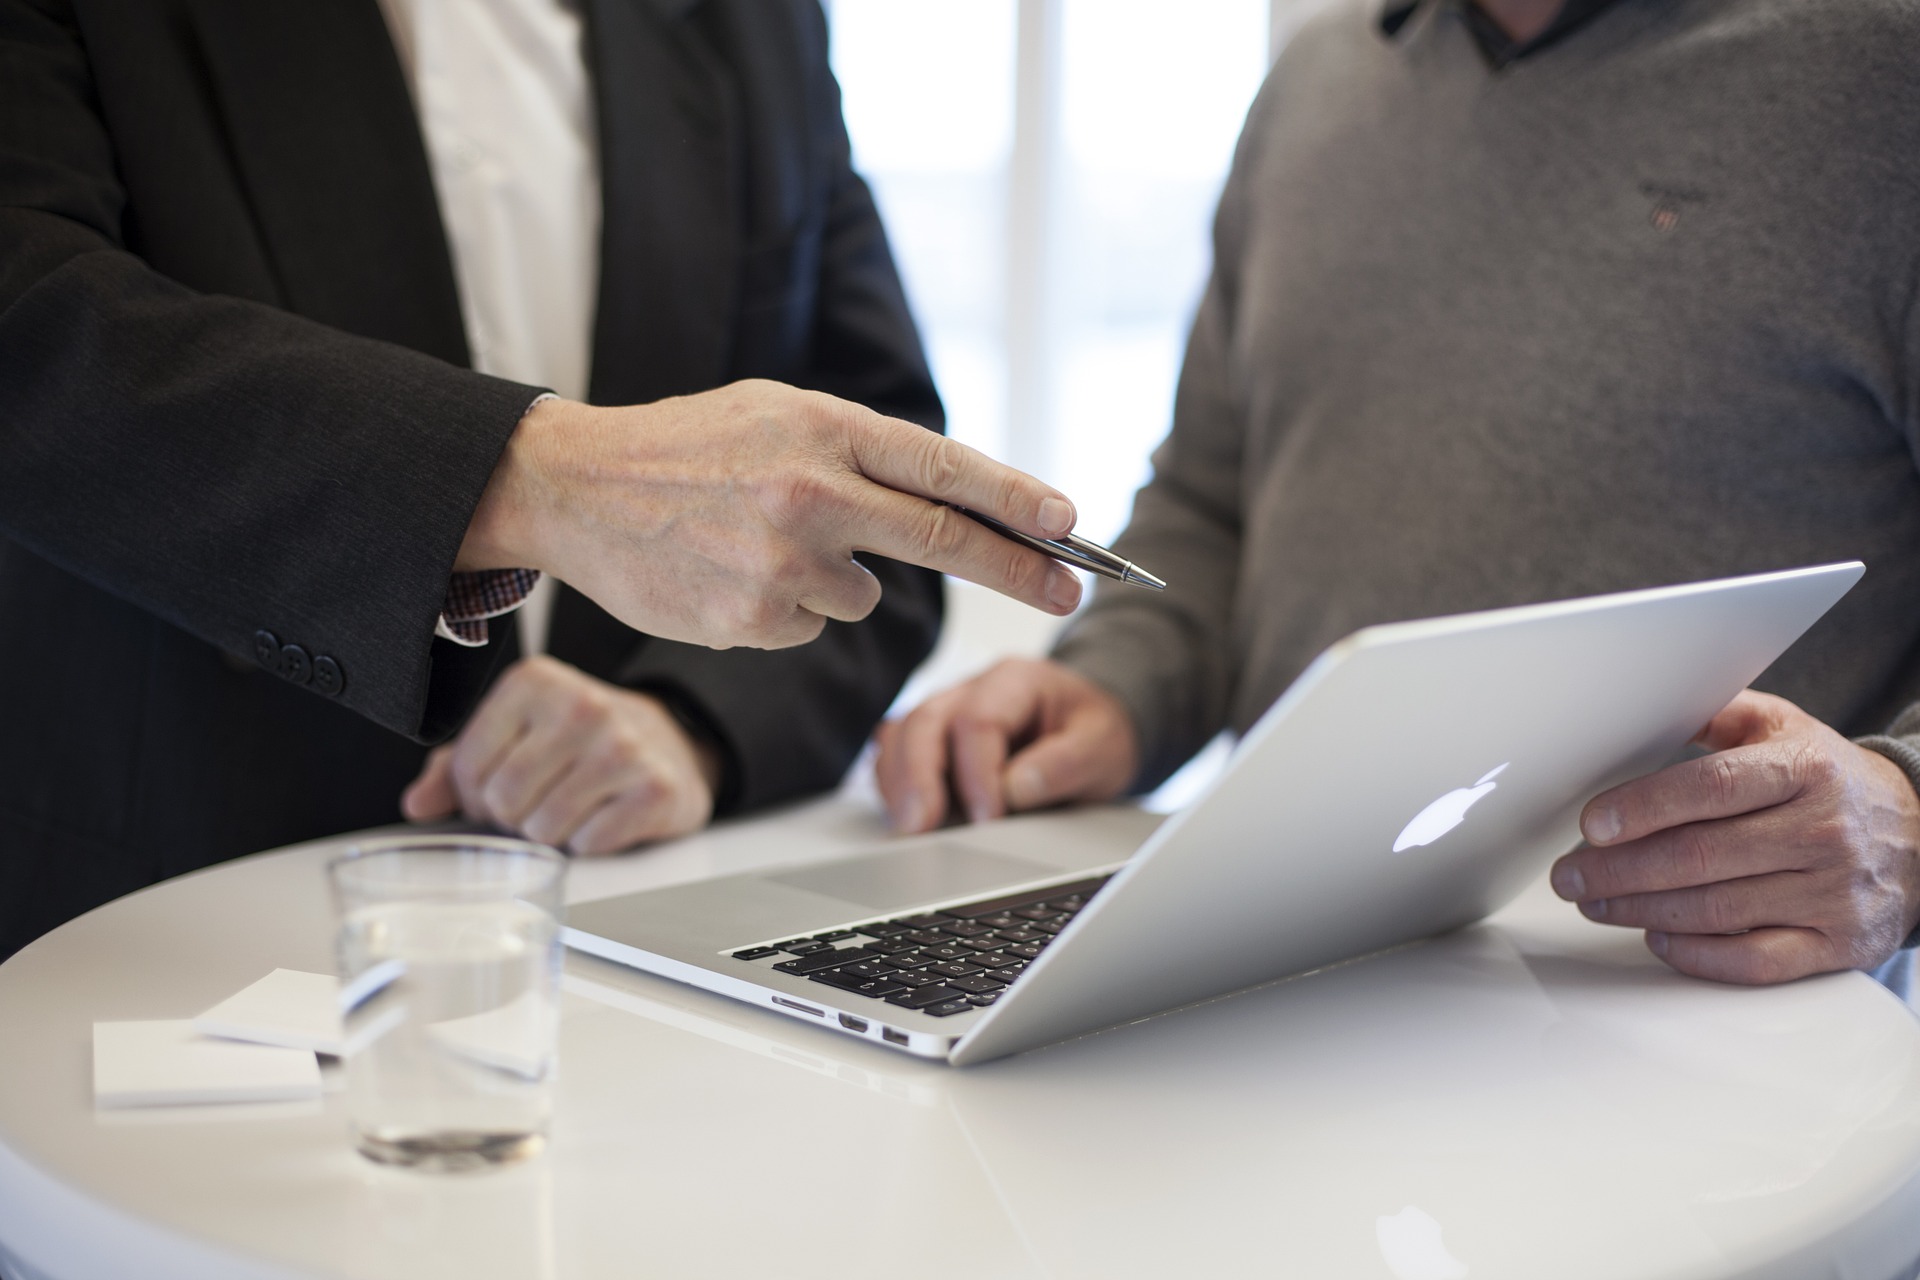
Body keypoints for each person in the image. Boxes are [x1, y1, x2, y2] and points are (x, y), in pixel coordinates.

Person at [0, 0, 1088, 960]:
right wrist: (537, 479)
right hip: (142, 940)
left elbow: (872, 500)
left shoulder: (753, 20)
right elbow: (33, 322)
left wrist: (692, 723)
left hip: (619, 956)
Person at [875, 0, 1920, 989]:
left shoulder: (1883, 73)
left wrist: (1907, 808)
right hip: (1282, 975)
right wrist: (1114, 688)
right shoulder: (1314, 88)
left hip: (1722, 1037)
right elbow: (1211, 501)